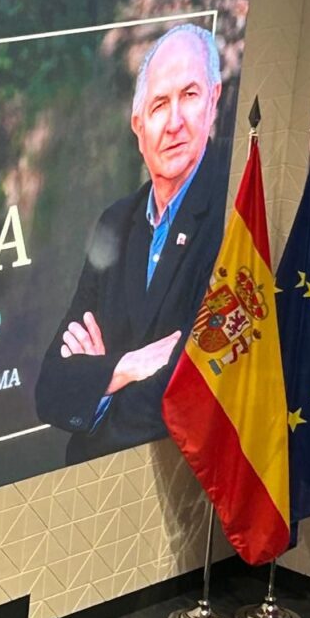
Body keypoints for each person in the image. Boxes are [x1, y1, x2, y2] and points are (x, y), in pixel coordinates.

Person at [35, 24, 228, 463]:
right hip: (90, 487)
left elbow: (190, 392)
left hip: (176, 483)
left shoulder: (233, 213)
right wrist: (126, 368)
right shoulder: (117, 223)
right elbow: (50, 386)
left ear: (214, 100)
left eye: (190, 96)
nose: (174, 121)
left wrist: (97, 380)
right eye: (160, 105)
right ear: (138, 127)